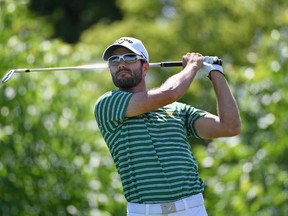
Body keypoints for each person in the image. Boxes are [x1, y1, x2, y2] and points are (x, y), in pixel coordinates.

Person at [94, 37, 241, 216]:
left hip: (192, 209)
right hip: (145, 212)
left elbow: (229, 127)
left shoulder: (178, 110)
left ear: (145, 66)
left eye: (130, 58)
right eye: (114, 60)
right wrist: (192, 67)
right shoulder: (108, 104)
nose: (121, 64)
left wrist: (215, 72)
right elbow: (169, 93)